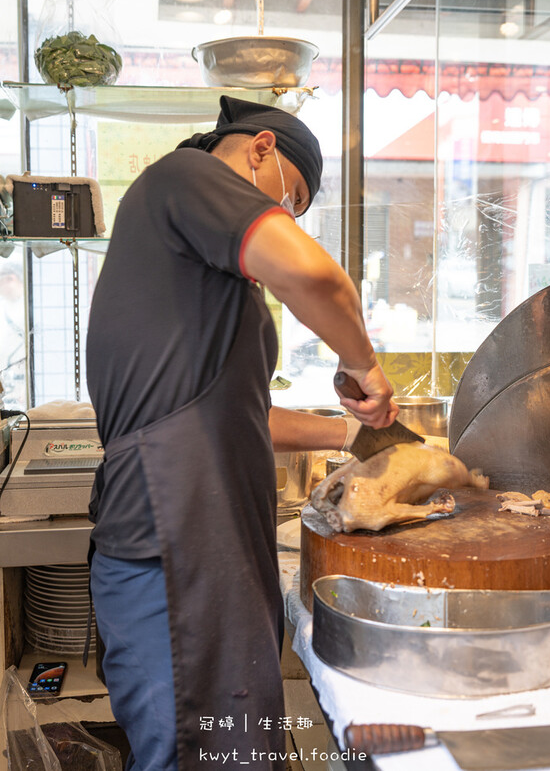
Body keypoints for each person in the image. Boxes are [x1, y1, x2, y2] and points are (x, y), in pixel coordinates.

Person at [86, 95, 398, 771]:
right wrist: (361, 362)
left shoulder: (198, 269)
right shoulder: (184, 179)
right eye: (290, 203)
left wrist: (350, 436)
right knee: (197, 755)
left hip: (204, 543)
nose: (284, 222)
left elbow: (233, 412)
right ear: (259, 149)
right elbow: (317, 277)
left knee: (232, 754)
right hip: (170, 546)